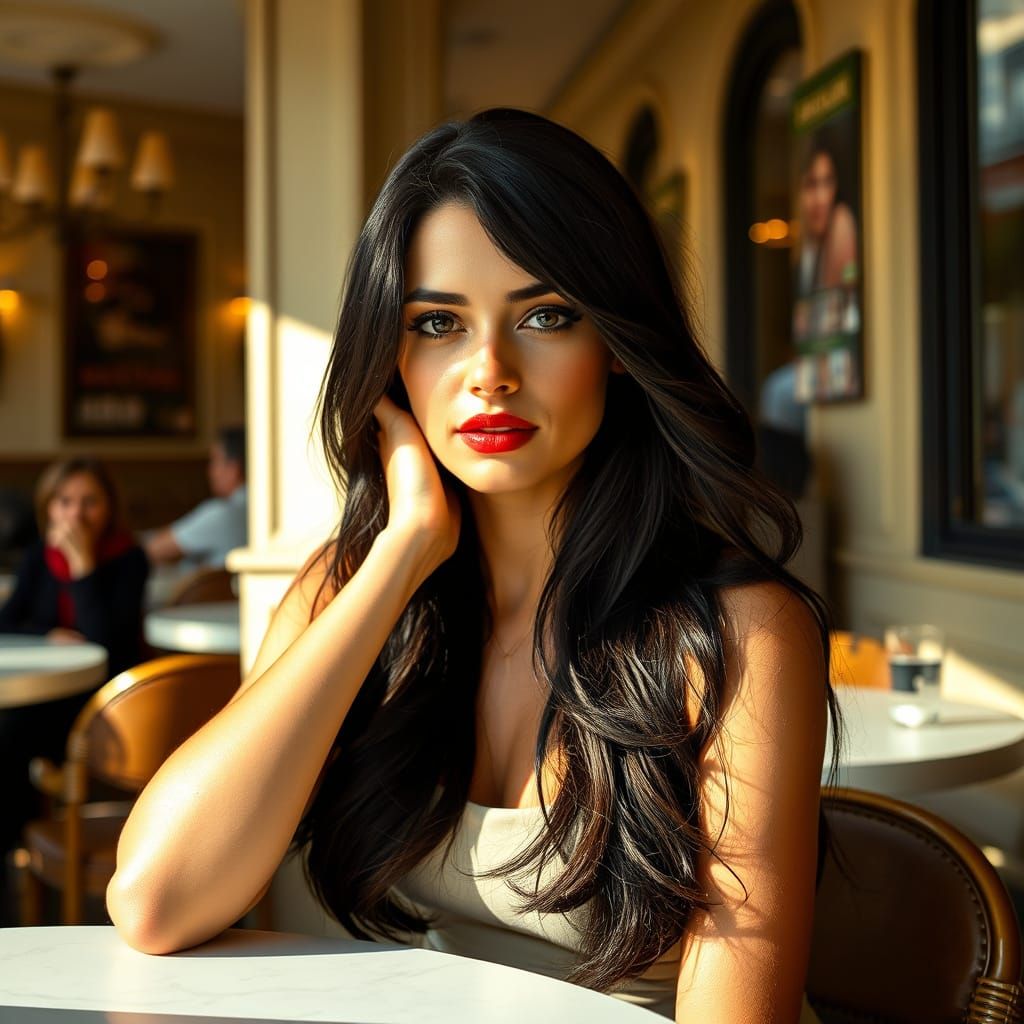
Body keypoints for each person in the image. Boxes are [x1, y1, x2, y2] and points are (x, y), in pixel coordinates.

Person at [108, 110, 840, 1023]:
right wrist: (401, 553)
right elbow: (155, 902)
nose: (489, 371)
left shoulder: (738, 633)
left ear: (614, 342)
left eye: (544, 314)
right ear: (390, 363)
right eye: (439, 323)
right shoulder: (349, 591)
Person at [0, 457, 148, 884]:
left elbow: (109, 644)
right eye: (64, 502)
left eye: (89, 502)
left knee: (11, 736)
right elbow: (7, 621)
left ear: (109, 508)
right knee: (9, 732)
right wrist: (49, 634)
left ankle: (25, 854)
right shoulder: (38, 557)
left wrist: (83, 565)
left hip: (105, 703)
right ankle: (23, 852)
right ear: (49, 507)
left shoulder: (128, 559)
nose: (75, 514)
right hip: (48, 696)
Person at [144, 425, 247, 569]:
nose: (210, 472)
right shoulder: (268, 514)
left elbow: (152, 549)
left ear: (233, 469)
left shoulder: (224, 513)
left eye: (214, 461)